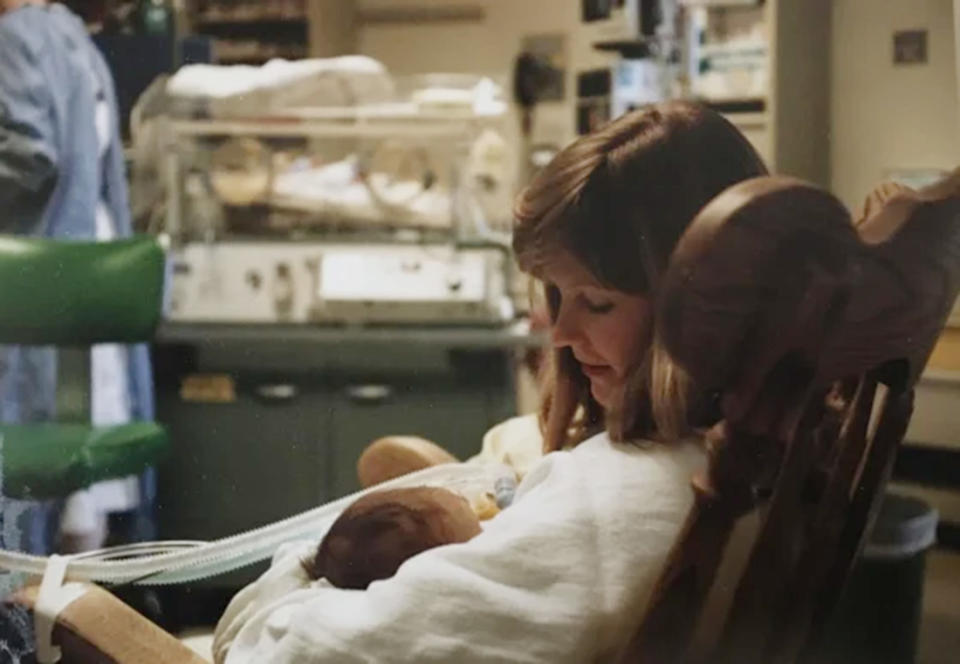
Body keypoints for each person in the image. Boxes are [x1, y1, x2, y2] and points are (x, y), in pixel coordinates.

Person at [213, 101, 769, 663]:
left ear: (700, 314)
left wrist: (293, 578)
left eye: (598, 303)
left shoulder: (621, 501)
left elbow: (292, 654)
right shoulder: (751, 461)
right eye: (558, 296)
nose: (563, 335)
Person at [0, 0, 156, 557]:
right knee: (78, 493)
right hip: (85, 257)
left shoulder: (15, 37)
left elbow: (27, 158)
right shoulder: (68, 32)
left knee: (43, 481)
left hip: (44, 265)